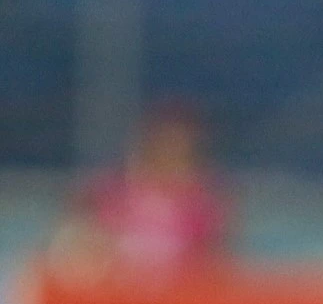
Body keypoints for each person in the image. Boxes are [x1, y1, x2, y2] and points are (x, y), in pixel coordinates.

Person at [51, 106, 230, 278]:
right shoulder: (115, 195)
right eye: (164, 152)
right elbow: (79, 236)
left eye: (179, 155)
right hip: (120, 291)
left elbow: (212, 261)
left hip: (175, 296)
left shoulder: (201, 207)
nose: (170, 163)